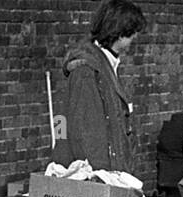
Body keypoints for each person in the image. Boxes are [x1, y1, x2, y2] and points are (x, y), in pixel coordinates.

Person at [55, 0, 146, 174]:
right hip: (97, 177)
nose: (135, 38)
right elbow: (86, 134)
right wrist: (105, 179)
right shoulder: (87, 72)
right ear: (120, 33)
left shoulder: (103, 66)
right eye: (133, 33)